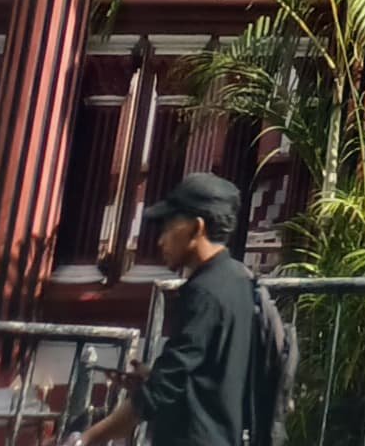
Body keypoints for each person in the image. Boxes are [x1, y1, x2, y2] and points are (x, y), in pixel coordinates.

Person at [71, 176, 271, 446]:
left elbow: (162, 389)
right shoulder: (240, 280)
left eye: (169, 227)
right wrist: (152, 378)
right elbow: (210, 374)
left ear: (196, 228)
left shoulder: (204, 291)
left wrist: (89, 438)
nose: (161, 241)